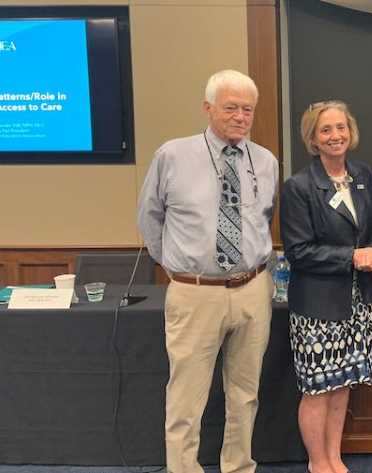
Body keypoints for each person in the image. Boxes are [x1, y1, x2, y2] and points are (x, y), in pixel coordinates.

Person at [137, 69, 279, 473]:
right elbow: (150, 219)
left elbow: (263, 220)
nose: (240, 116)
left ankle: (238, 467)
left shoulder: (265, 161)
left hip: (252, 289)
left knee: (245, 394)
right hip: (194, 292)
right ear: (208, 108)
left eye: (247, 109)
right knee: (186, 398)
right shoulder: (173, 155)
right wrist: (180, 267)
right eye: (230, 107)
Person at [280, 100, 372, 473]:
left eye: (341, 127)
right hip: (317, 306)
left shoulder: (362, 175)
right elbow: (299, 251)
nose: (335, 135)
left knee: (343, 384)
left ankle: (335, 457)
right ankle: (317, 462)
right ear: (313, 138)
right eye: (326, 130)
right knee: (318, 387)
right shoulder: (299, 187)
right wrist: (352, 257)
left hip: (357, 300)